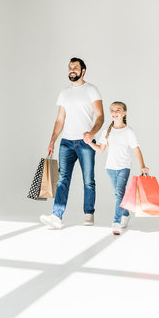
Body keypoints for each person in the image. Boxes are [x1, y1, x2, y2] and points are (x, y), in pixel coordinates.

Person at [40, 57, 104, 229]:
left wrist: (92, 133)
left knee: (88, 180)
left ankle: (89, 212)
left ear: (83, 71)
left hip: (85, 142)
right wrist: (52, 140)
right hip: (66, 142)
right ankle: (56, 216)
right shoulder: (64, 93)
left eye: (75, 67)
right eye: (70, 67)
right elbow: (60, 120)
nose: (72, 70)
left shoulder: (92, 90)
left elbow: (100, 116)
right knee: (62, 180)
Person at [85, 101, 148, 235]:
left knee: (119, 193)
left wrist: (142, 165)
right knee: (118, 195)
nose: (114, 112)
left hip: (124, 167)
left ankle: (116, 222)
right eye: (112, 110)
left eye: (118, 110)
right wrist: (90, 143)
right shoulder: (106, 132)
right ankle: (125, 214)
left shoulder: (129, 131)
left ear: (124, 113)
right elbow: (101, 150)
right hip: (110, 168)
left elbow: (136, 149)